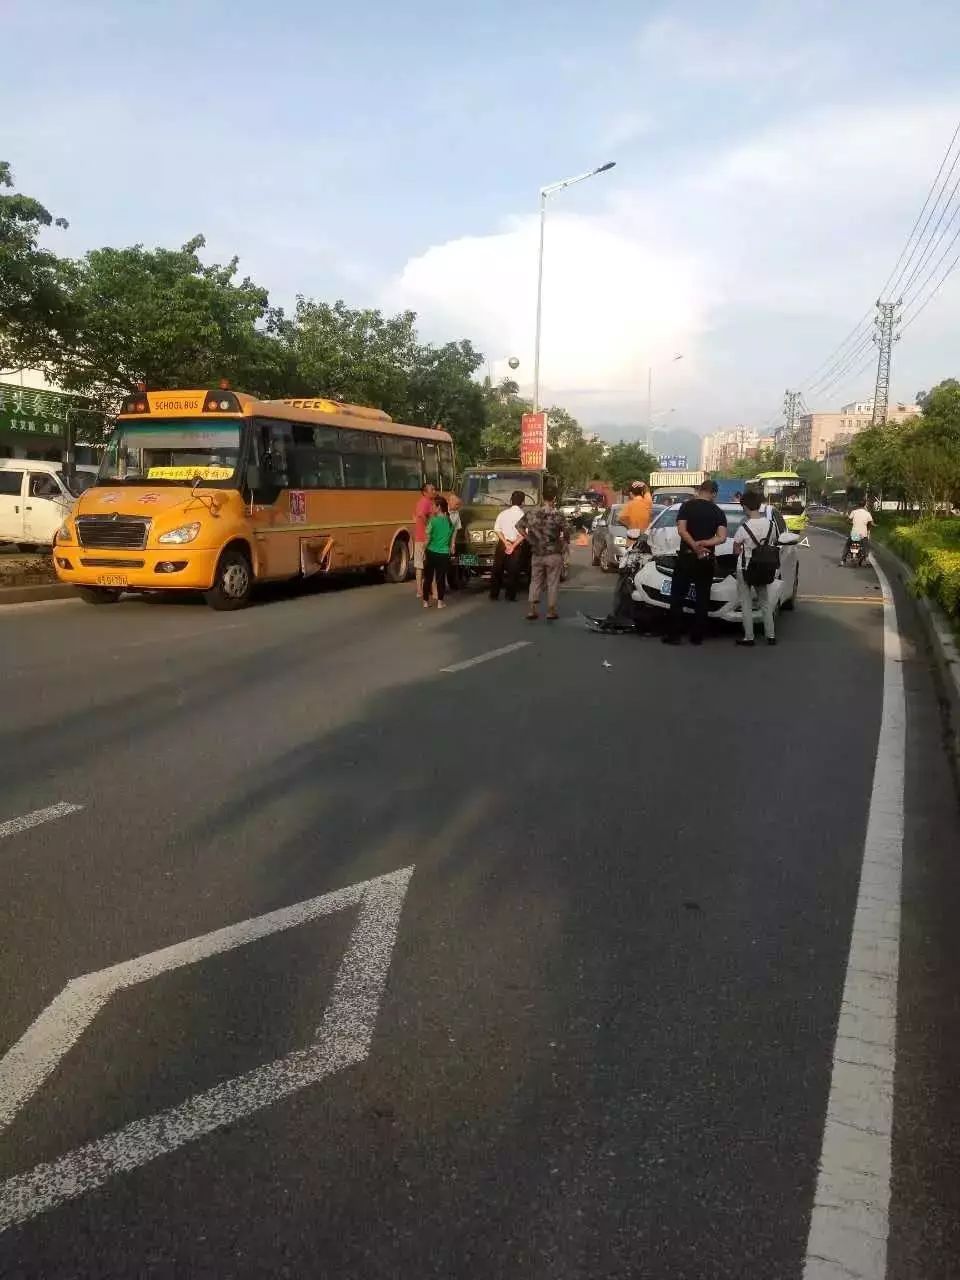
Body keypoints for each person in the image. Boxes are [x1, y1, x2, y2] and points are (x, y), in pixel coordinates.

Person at [662, 479, 728, 646]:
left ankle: (674, 635)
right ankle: (697, 636)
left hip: (686, 556)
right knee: (702, 596)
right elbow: (722, 537)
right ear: (714, 493)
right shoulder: (718, 512)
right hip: (706, 559)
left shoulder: (686, 506)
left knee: (677, 596)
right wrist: (705, 544)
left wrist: (694, 545)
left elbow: (682, 530)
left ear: (699, 490)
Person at [732, 490, 777, 647]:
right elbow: (773, 542)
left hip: (745, 568)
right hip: (765, 567)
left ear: (745, 506)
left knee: (746, 602)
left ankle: (749, 637)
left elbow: (736, 548)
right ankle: (770, 635)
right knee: (764, 601)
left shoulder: (744, 527)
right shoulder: (771, 525)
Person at [518, 484, 567, 621]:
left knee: (535, 581)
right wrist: (563, 543)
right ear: (554, 498)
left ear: (542, 497)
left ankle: (532, 610)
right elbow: (567, 532)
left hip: (537, 552)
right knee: (553, 582)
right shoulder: (558, 515)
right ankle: (551, 611)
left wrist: (529, 539)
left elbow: (519, 526)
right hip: (553, 553)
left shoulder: (531, 513)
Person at [489, 490, 527, 601]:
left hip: (502, 544)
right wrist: (513, 545)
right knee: (513, 572)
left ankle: (494, 594)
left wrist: (505, 543)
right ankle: (510, 596)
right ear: (523, 502)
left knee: (497, 570)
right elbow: (524, 534)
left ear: (511, 501)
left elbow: (497, 529)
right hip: (516, 546)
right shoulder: (523, 516)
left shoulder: (503, 513)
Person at [422, 497, 455, 609]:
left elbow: (427, 537)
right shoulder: (450, 523)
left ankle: (426, 601)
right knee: (440, 579)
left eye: (433, 506)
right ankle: (440, 602)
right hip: (444, 554)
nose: (432, 508)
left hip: (431, 552)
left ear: (439, 507)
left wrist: (423, 550)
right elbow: (450, 540)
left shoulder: (433, 521)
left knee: (428, 578)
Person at [413, 481, 438, 598]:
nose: (434, 491)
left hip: (421, 537)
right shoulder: (426, 502)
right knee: (428, 564)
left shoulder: (424, 502)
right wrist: (429, 526)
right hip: (425, 539)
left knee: (420, 565)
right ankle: (430, 590)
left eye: (434, 489)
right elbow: (422, 515)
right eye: (432, 490)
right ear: (425, 492)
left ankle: (421, 590)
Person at [445, 494, 463, 591]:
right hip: (440, 541)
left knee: (451, 562)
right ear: (449, 502)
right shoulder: (443, 511)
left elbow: (455, 529)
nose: (458, 507)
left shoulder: (456, 513)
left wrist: (453, 544)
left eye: (459, 505)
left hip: (448, 541)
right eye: (456, 504)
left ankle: (450, 583)